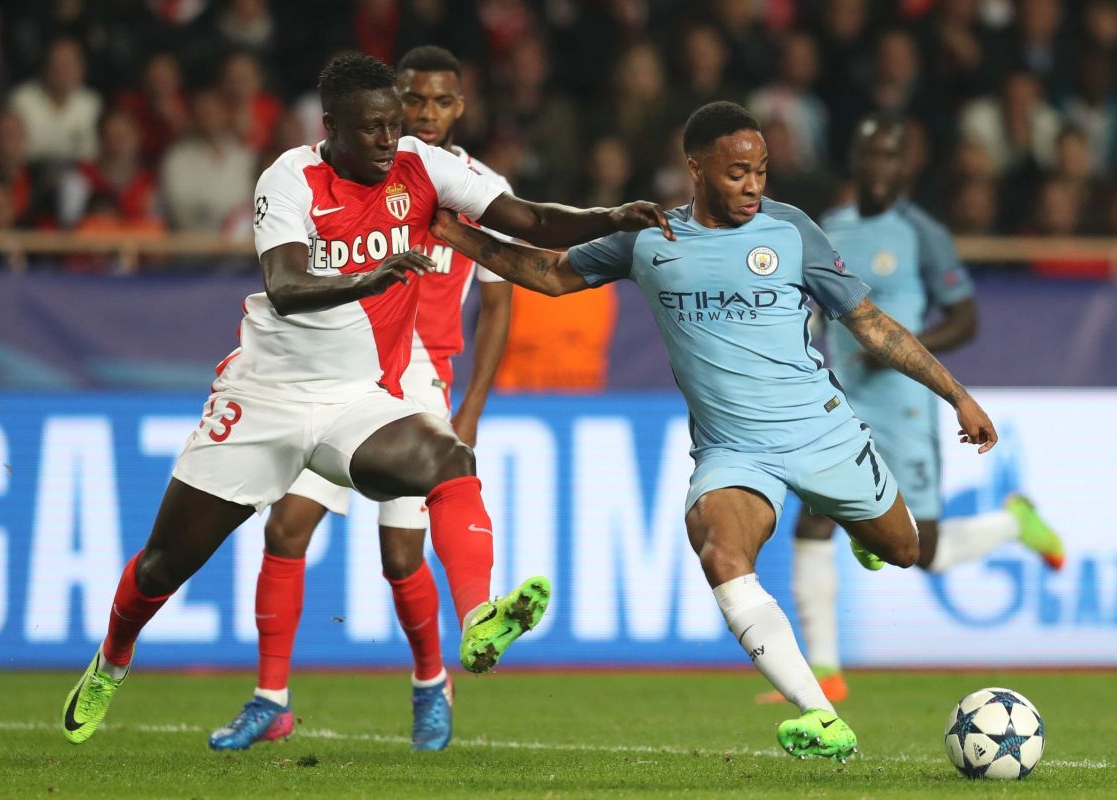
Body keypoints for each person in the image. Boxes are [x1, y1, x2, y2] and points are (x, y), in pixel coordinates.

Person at [61, 52, 671, 746]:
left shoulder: (423, 165)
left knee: (448, 460)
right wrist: (370, 277)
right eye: (373, 129)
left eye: (392, 125)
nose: (390, 141)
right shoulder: (290, 178)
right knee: (164, 564)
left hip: (357, 395)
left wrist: (610, 216)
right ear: (331, 129)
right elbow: (287, 287)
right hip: (267, 395)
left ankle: (476, 620)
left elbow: (526, 220)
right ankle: (112, 657)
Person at [428, 100, 999, 761]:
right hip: (735, 451)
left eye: (759, 170)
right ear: (694, 169)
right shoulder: (650, 238)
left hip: (822, 434)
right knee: (719, 551)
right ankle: (820, 715)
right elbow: (553, 276)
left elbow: (871, 324)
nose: (753, 185)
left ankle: (860, 529)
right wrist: (464, 238)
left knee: (903, 549)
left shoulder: (792, 232)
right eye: (736, 173)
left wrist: (956, 395)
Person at [207, 45, 514, 754]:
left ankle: (432, 679)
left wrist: (468, 406)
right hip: (339, 371)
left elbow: (499, 305)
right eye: (414, 101)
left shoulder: (467, 184)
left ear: (460, 107)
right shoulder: (371, 172)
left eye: (441, 102)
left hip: (416, 376)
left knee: (401, 553)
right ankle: (271, 699)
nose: (425, 115)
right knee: (286, 528)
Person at [779, 115, 1065, 706]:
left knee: (923, 551)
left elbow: (966, 317)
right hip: (839, 405)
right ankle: (825, 672)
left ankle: (1014, 523)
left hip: (905, 411)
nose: (880, 168)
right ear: (854, 163)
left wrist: (903, 352)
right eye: (870, 156)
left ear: (905, 166)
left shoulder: (923, 234)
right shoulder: (829, 228)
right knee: (810, 522)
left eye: (891, 157)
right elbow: (816, 304)